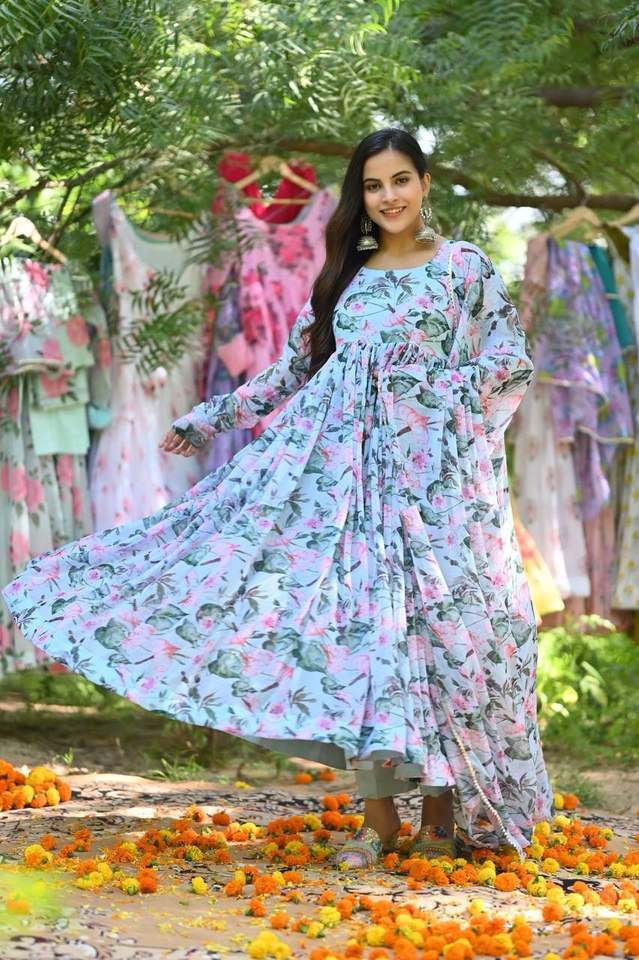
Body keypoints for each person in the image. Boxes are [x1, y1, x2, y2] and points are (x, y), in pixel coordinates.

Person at [3, 128, 552, 871]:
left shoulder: (463, 267)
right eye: (373, 185)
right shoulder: (346, 277)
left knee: (441, 638)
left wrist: (434, 389)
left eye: (400, 180)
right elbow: (293, 370)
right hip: (346, 491)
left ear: (424, 183)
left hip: (437, 488)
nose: (388, 196)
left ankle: (441, 815)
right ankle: (380, 820)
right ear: (360, 196)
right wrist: (210, 418)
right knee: (362, 639)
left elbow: (508, 361)